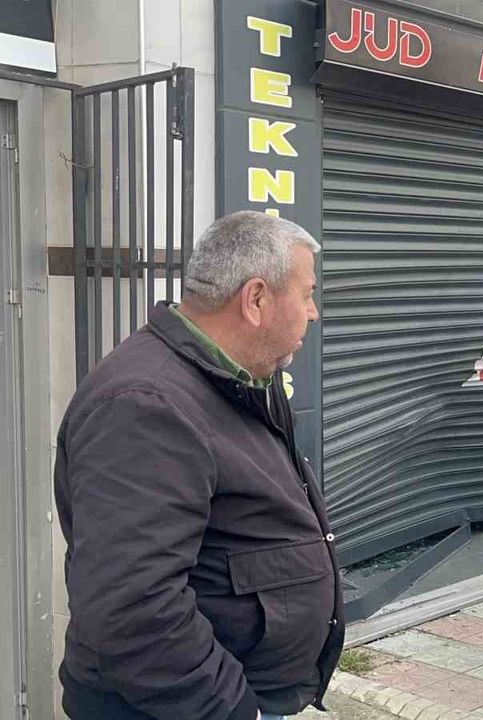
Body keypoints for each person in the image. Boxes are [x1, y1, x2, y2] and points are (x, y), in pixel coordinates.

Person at [55, 212, 341, 720]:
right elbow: (133, 610)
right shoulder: (147, 405)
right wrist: (235, 711)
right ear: (256, 300)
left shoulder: (241, 376)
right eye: (306, 295)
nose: (313, 313)